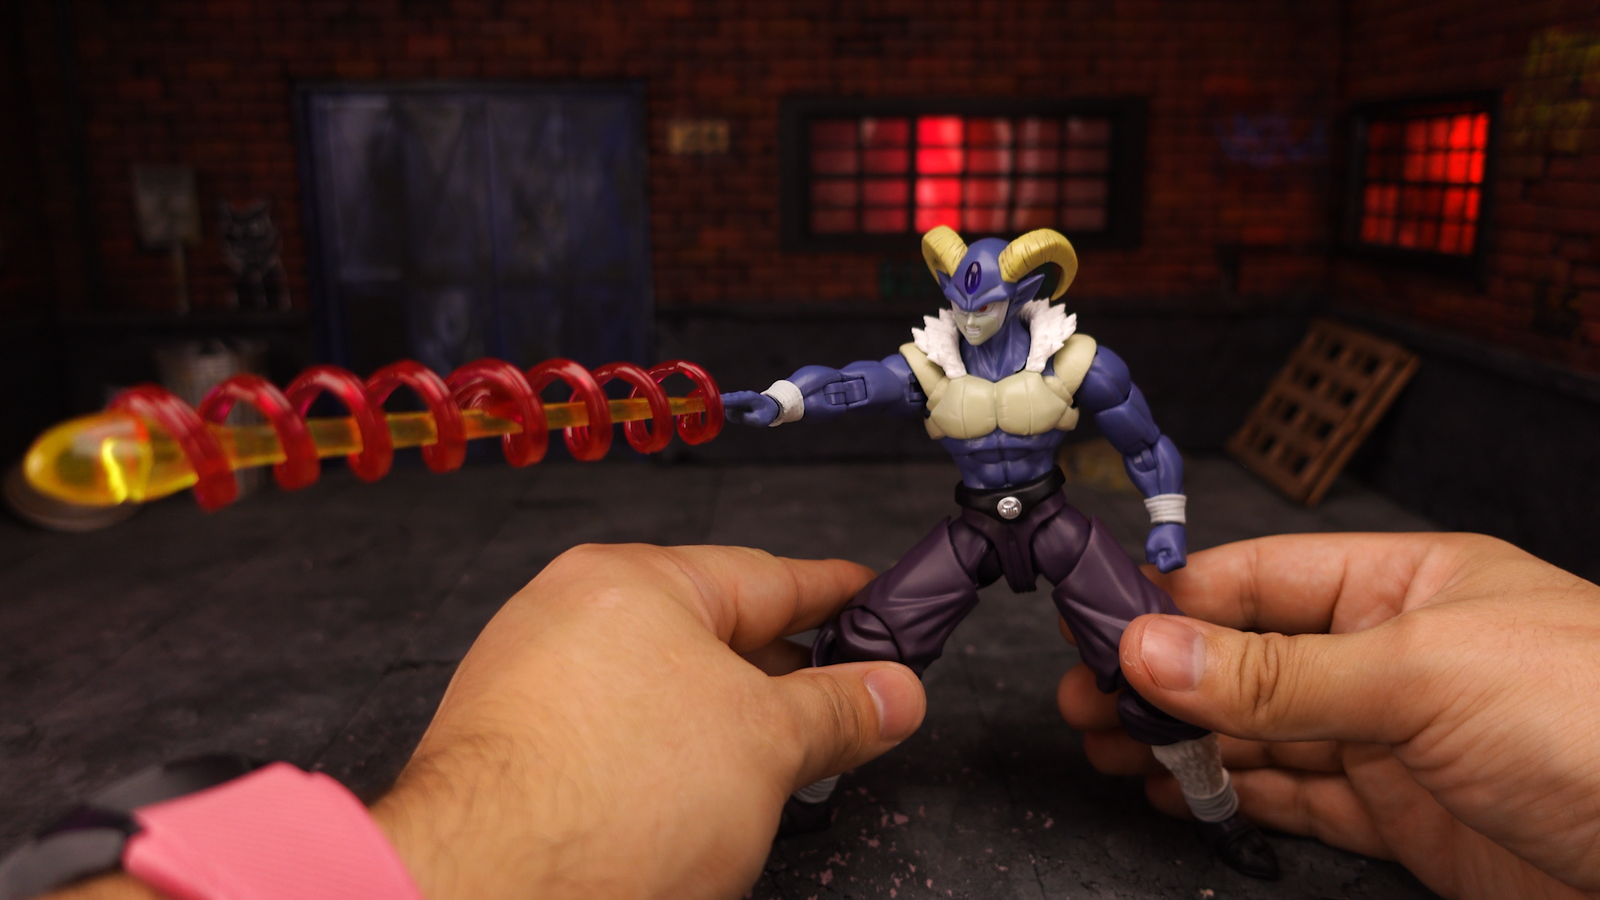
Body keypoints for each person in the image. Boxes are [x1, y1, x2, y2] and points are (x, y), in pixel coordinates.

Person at [45, 534, 1600, 899]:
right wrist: (785, 404)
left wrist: (1172, 507)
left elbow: (1130, 424)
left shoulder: (1069, 358)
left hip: (1056, 526)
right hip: (971, 530)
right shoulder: (942, 355)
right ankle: (791, 788)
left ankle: (1221, 811)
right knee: (858, 647)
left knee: (1156, 673)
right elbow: (864, 381)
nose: (974, 306)